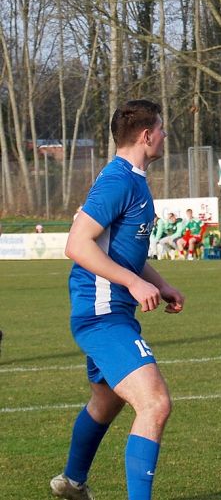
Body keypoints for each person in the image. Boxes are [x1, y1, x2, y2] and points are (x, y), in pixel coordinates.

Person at [50, 100, 184, 500]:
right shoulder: (119, 181)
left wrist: (158, 283)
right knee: (155, 404)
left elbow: (120, 250)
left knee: (106, 402)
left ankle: (72, 483)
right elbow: (77, 244)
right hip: (102, 313)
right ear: (146, 136)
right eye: (161, 129)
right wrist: (133, 283)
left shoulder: (133, 179)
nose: (164, 136)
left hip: (111, 310)